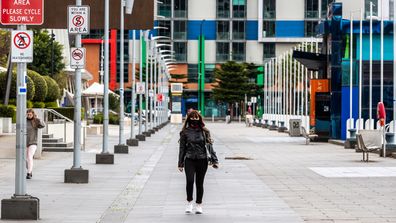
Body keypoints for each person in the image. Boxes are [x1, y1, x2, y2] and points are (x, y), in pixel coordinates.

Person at [178, 110, 218, 214]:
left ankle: (199, 205)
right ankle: (189, 202)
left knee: (199, 183)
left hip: (202, 160)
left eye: (196, 118)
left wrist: (215, 160)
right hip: (189, 159)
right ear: (189, 119)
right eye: (192, 118)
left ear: (199, 118)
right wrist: (180, 163)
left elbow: (210, 146)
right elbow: (182, 148)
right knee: (190, 181)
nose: (194, 120)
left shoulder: (205, 131)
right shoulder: (185, 132)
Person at [26, 109, 45, 179]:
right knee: (25, 159)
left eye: (30, 114)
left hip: (33, 142)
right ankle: (30, 170)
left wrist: (38, 118)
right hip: (25, 143)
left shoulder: (35, 121)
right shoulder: (24, 121)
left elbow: (43, 125)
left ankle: (28, 173)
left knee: (29, 156)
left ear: (33, 114)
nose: (29, 116)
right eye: (28, 114)